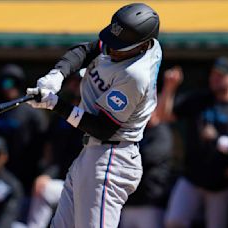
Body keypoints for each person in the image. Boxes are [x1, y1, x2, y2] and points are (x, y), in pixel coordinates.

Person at [26, 3, 162, 227]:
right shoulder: (143, 43)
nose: (112, 48)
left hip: (112, 156)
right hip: (92, 153)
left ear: (141, 46)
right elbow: (86, 50)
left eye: (121, 46)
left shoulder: (136, 76)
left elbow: (102, 127)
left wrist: (56, 105)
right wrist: (57, 74)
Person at [158, 57, 228, 228]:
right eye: (213, 75)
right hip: (192, 177)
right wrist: (169, 88)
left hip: (221, 183)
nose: (215, 79)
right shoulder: (201, 99)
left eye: (221, 75)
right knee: (174, 221)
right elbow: (164, 116)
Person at [0, 64, 48, 195]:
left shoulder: (32, 112)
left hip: (26, 175)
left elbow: (43, 145)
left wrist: (42, 172)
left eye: (15, 83)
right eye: (6, 83)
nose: (10, 87)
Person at [27, 74, 84, 228]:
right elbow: (50, 150)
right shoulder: (60, 116)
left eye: (78, 82)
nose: (74, 86)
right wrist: (47, 173)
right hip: (62, 180)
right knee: (42, 188)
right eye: (73, 82)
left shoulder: (91, 114)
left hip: (85, 182)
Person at [119, 109, 175, 228]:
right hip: (129, 202)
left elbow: (147, 157)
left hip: (150, 203)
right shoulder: (135, 133)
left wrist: (124, 158)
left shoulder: (161, 132)